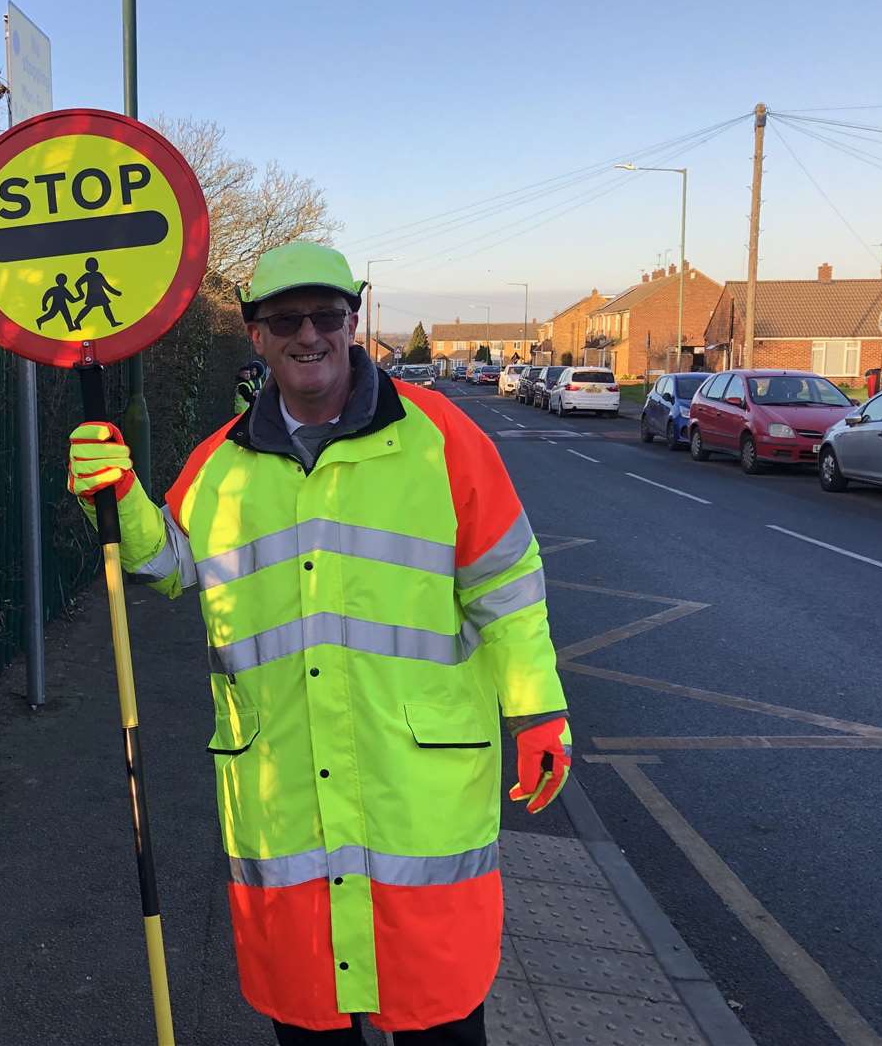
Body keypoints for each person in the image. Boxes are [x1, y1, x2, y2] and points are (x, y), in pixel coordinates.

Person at [66, 242, 571, 1044]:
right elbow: (166, 562)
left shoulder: (441, 439)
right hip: (286, 798)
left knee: (439, 1020)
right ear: (256, 336)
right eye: (287, 319)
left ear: (354, 323)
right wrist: (119, 492)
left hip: (418, 803)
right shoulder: (220, 463)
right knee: (309, 1022)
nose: (311, 335)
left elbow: (507, 587)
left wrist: (538, 710)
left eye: (327, 316)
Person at [73, 256, 122, 329]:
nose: (94, 266)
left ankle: (112, 322)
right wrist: (81, 294)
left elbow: (106, 285)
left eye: (95, 264)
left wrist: (116, 292)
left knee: (105, 306)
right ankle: (77, 320)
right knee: (89, 307)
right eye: (92, 265)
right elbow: (77, 284)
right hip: (93, 295)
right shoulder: (88, 275)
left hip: (100, 294)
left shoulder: (98, 274)